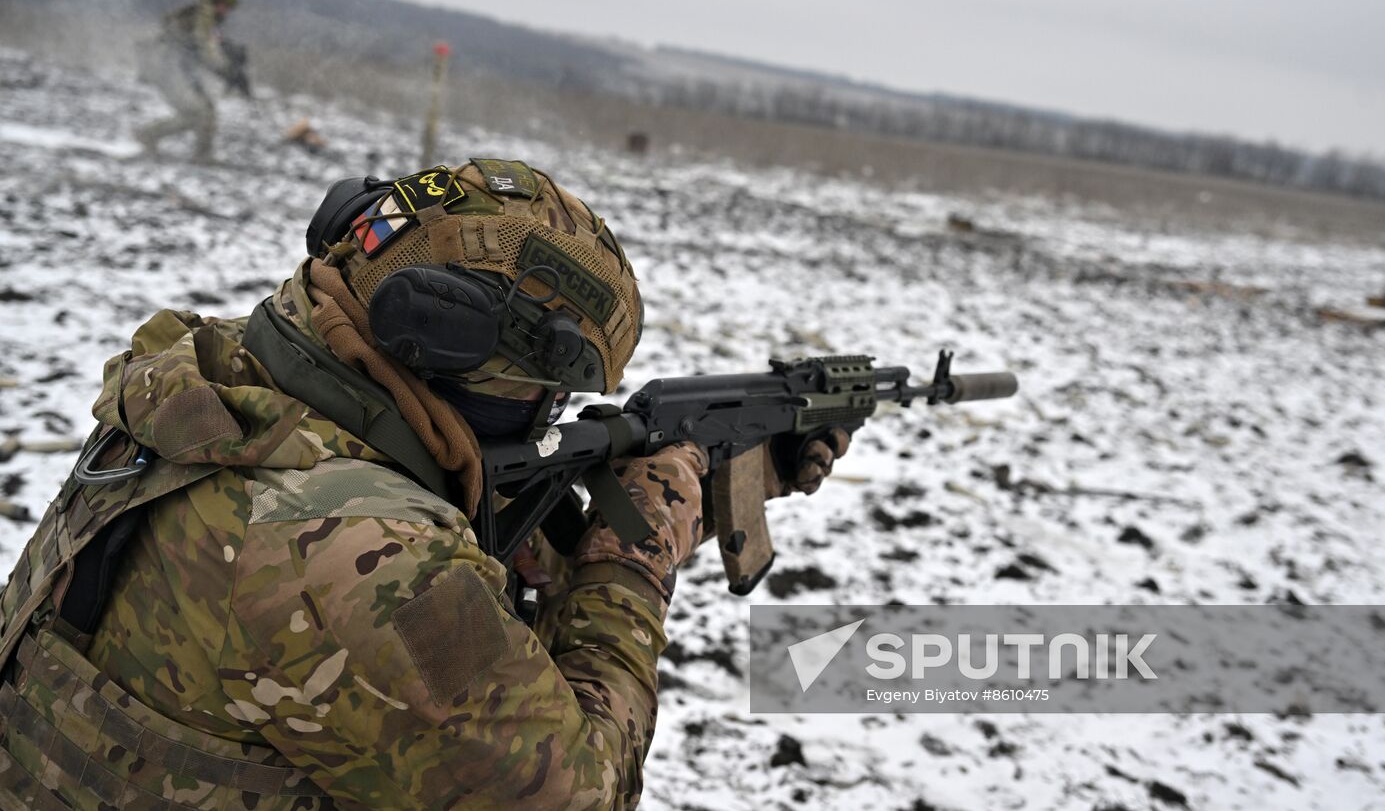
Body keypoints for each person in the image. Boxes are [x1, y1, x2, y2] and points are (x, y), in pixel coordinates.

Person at [0, 159, 845, 809]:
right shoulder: (363, 557)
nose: (554, 418)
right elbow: (582, 790)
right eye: (550, 400)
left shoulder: (213, 388)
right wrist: (634, 555)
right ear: (450, 355)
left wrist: (731, 472)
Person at [135, 0, 249, 163]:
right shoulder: (204, 17)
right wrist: (227, 69)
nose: (226, 12)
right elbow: (206, 49)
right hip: (170, 69)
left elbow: (203, 48)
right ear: (217, 3)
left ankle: (198, 153)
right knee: (201, 112)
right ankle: (150, 135)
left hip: (175, 69)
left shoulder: (198, 16)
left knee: (205, 111)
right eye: (225, 7)